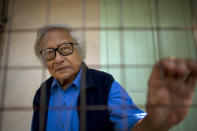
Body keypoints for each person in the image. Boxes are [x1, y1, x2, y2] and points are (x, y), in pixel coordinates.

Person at [31, 24, 197, 131]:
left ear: (80, 51)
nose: (58, 58)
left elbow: (131, 124)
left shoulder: (104, 84)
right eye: (49, 53)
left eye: (65, 48)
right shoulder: (41, 93)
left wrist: (154, 122)